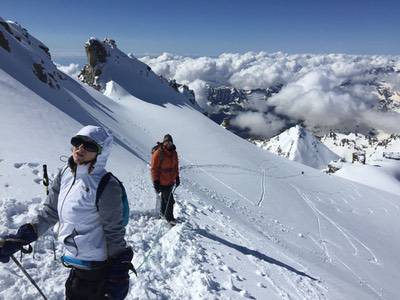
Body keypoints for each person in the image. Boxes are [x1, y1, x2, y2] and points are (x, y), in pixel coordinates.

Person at [0, 125, 133, 300]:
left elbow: (113, 232)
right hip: (76, 265)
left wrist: (119, 276)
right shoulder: (66, 173)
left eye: (90, 146)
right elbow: (50, 211)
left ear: (101, 153)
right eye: (77, 142)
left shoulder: (107, 185)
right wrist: (23, 236)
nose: (81, 148)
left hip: (97, 269)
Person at [151, 134, 180, 223]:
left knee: (165, 199)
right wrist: (155, 181)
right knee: (170, 201)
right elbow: (154, 169)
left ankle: (163, 214)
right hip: (161, 181)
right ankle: (169, 219)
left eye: (170, 142)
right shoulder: (159, 153)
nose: (168, 144)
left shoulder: (174, 153)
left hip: (170, 181)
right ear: (164, 142)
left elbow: (175, 166)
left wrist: (177, 177)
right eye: (166, 142)